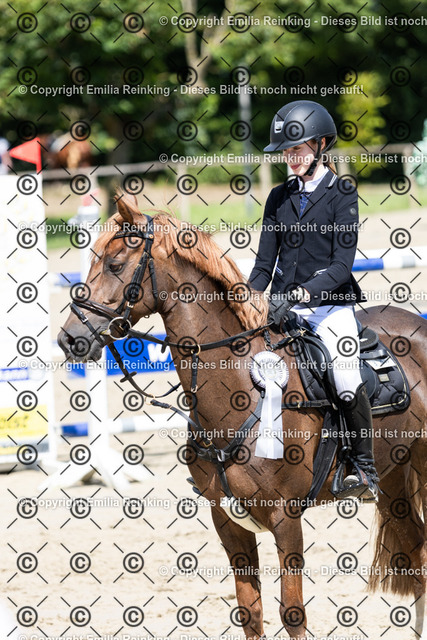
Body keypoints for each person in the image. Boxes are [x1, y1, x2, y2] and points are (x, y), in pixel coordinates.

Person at [249, 100, 379, 501]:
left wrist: (303, 293)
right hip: (281, 309)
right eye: (286, 151)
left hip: (329, 308)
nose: (291, 157)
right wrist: (249, 297)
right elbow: (263, 264)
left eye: (297, 149)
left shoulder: (342, 193)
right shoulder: (277, 197)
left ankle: (363, 467)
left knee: (345, 375)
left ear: (321, 145)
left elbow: (341, 265)